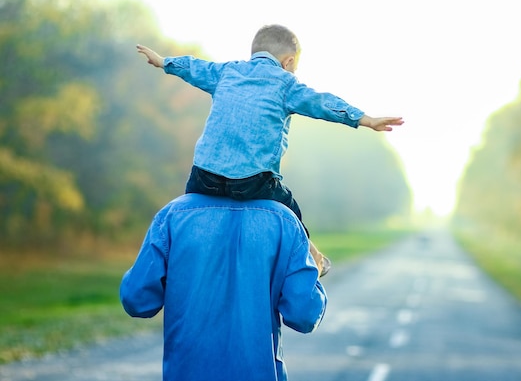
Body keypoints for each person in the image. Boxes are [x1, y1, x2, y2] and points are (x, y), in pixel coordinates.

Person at [136, 24, 404, 277]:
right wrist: (364, 119)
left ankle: (172, 263)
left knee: (187, 215)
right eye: (294, 67)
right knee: (291, 214)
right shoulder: (286, 84)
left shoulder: (227, 72)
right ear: (288, 62)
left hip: (204, 176)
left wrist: (163, 62)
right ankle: (315, 259)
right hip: (252, 181)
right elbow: (322, 103)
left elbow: (194, 67)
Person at [120, 193, 327, 381]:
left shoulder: (173, 216)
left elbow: (137, 300)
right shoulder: (285, 221)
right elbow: (304, 315)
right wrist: (314, 269)